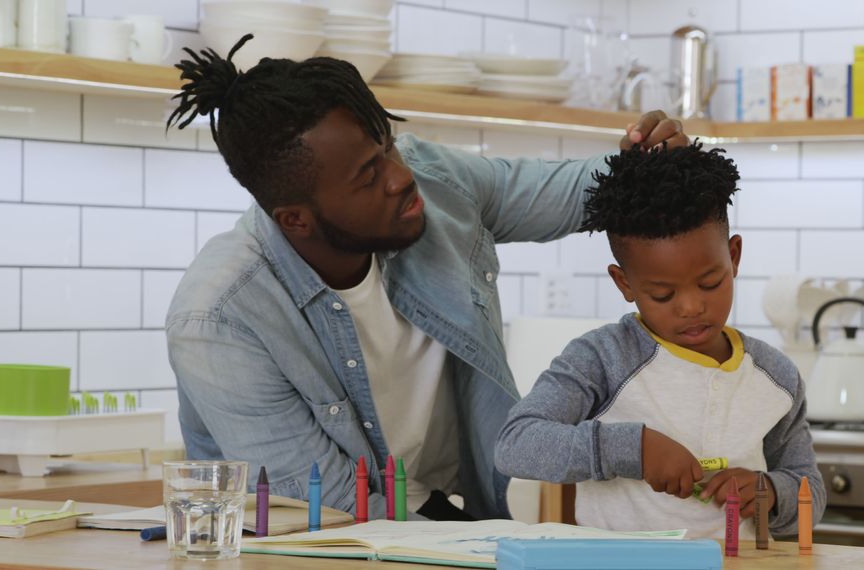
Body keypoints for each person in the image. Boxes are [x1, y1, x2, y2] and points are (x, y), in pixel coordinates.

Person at [162, 34, 691, 522]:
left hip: (436, 518)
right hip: (314, 544)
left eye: (387, 145)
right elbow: (325, 501)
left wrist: (643, 163)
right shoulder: (218, 316)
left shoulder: (431, 184)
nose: (401, 176)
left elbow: (569, 192)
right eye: (368, 175)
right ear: (296, 219)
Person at [494, 143, 825, 538]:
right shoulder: (601, 359)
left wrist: (770, 491)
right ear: (624, 283)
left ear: (734, 256)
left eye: (710, 283)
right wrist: (635, 449)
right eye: (662, 295)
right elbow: (516, 444)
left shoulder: (775, 376)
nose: (690, 307)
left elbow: (810, 489)